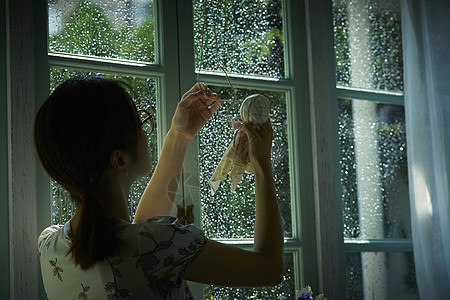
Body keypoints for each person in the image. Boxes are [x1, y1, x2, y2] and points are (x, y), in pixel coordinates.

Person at [35, 76, 284, 299]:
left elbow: (141, 237)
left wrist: (179, 136)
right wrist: (261, 163)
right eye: (140, 123)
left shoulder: (49, 246)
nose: (146, 132)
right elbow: (269, 269)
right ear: (120, 160)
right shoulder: (159, 245)